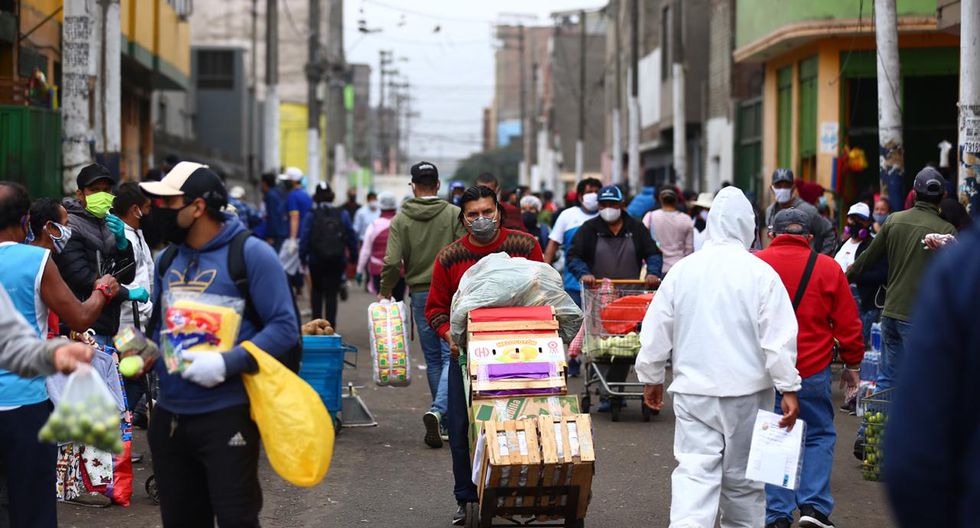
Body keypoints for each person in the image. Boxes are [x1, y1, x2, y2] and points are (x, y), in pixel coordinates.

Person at [140, 161, 299, 527]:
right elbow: (159, 331)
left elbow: (285, 327)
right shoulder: (167, 260)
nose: (157, 212)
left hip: (227, 414)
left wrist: (227, 363)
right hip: (169, 417)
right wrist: (140, 352)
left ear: (197, 207)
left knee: (236, 519)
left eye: (168, 203)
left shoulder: (251, 255)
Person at [636, 186, 801, 528]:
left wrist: (651, 377)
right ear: (748, 225)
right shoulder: (761, 274)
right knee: (743, 482)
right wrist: (788, 387)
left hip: (693, 392)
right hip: (748, 393)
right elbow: (778, 338)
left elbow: (655, 331)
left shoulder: (683, 271)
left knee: (695, 476)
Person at [0, 182, 121, 525]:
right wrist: (104, 290)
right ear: (26, 221)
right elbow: (80, 317)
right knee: (33, 507)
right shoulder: (37, 261)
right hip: (24, 406)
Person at [425, 185, 544, 526]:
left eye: (487, 212)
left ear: (499, 212)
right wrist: (450, 336)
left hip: (524, 352)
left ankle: (532, 488)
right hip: (467, 357)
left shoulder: (525, 246)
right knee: (462, 429)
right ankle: (466, 496)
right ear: (463, 219)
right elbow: (435, 309)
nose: (481, 219)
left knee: (528, 421)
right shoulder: (449, 257)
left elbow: (544, 290)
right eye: (473, 214)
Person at [757, 209, 865, 528]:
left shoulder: (756, 264)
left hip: (767, 369)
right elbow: (848, 322)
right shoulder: (827, 267)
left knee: (776, 435)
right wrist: (853, 362)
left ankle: (776, 514)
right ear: (809, 237)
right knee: (818, 434)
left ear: (772, 234)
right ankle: (814, 508)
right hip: (813, 366)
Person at [883, 228, 979, 527]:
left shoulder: (964, 268)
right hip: (909, 315)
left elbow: (915, 451)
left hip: (894, 310)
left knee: (890, 379)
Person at [847, 167, 957, 395]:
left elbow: (866, 260)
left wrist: (843, 277)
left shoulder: (893, 221)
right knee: (925, 381)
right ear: (943, 197)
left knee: (888, 378)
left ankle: (870, 430)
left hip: (890, 314)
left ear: (914, 194)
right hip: (920, 319)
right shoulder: (947, 230)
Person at [380, 161, 466, 449]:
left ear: (413, 186)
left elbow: (392, 261)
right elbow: (463, 252)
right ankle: (441, 412)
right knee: (450, 355)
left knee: (433, 359)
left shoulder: (402, 219)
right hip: (451, 293)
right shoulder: (454, 214)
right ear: (438, 185)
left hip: (420, 294)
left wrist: (385, 291)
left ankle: (439, 414)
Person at [567, 185, 663, 412]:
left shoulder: (635, 228)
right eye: (604, 205)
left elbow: (652, 253)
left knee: (624, 347)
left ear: (621, 205)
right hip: (599, 295)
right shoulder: (589, 229)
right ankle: (603, 391)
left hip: (630, 299)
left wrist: (653, 273)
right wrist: (584, 273)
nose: (608, 209)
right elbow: (574, 255)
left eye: (613, 204)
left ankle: (615, 394)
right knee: (599, 345)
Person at [55, 163, 141, 346]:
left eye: (106, 190)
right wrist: (126, 294)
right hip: (82, 325)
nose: (101, 195)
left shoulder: (109, 224)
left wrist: (123, 244)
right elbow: (81, 277)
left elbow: (126, 275)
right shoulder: (70, 225)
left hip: (109, 324)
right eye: (94, 190)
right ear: (80, 194)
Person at [0, 282, 94, 378]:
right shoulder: (43, 270)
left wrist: (54, 353)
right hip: (26, 379)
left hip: (28, 373)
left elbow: (11, 344)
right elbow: (81, 319)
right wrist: (102, 289)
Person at [299, 182, 358, 326]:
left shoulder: (311, 215)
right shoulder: (341, 213)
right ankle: (330, 328)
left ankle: (316, 327)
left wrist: (302, 257)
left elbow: (304, 237)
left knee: (316, 292)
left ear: (316, 197)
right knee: (332, 293)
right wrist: (353, 256)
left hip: (316, 259)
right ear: (331, 196)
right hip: (337, 259)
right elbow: (351, 235)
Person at [833, 202, 887, 346]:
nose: (855, 223)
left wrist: (857, 274)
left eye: (860, 219)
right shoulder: (843, 243)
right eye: (852, 219)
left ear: (868, 222)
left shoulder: (874, 245)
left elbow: (883, 274)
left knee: (858, 346)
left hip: (863, 302)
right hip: (840, 299)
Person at [543, 177, 603, 307]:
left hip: (602, 287)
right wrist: (544, 273)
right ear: (581, 196)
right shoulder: (567, 215)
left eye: (596, 192)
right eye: (589, 192)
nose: (593, 195)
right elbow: (552, 245)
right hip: (573, 284)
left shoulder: (606, 217)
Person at [113, 183, 154, 331]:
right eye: (148, 207)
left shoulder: (137, 235)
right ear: (135, 210)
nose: (150, 212)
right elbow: (128, 281)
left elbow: (148, 272)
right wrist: (152, 311)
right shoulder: (124, 240)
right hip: (128, 322)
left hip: (141, 319)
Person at [765, 168, 836, 255]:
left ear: (793, 187)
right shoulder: (770, 212)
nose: (782, 189)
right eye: (778, 186)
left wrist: (822, 257)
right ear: (772, 188)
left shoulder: (808, 210)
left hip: (805, 263)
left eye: (786, 186)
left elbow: (829, 232)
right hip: (778, 262)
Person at [356, 192, 404, 300]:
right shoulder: (402, 223)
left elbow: (365, 251)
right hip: (399, 270)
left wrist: (359, 270)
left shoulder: (374, 225)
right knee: (399, 303)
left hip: (378, 271)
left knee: (383, 302)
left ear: (380, 206)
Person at [643, 188, 694, 273]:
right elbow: (689, 249)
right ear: (676, 201)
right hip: (679, 267)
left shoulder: (650, 216)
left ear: (660, 200)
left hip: (657, 268)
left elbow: (644, 241)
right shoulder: (686, 219)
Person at [280, 167, 313, 296]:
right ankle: (313, 304)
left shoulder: (292, 195)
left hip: (296, 237)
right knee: (306, 270)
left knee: (279, 268)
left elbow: (295, 217)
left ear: (293, 181)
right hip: (306, 236)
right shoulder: (305, 195)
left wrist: (292, 239)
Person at [260, 172, 288, 250]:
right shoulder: (279, 192)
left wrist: (270, 235)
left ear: (264, 183)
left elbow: (272, 216)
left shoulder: (270, 195)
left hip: (275, 233)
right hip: (282, 230)